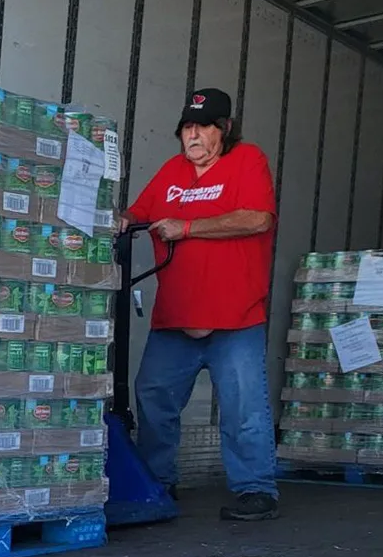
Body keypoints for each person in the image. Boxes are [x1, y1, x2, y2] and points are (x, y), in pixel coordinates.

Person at [118, 88, 280, 521]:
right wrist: (122, 220)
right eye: (187, 127)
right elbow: (138, 212)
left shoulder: (248, 161)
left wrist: (188, 227)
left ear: (225, 129)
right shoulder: (172, 171)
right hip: (176, 318)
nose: (193, 135)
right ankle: (158, 482)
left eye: (203, 126)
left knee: (244, 406)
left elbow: (257, 217)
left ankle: (256, 489)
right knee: (153, 396)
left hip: (235, 317)